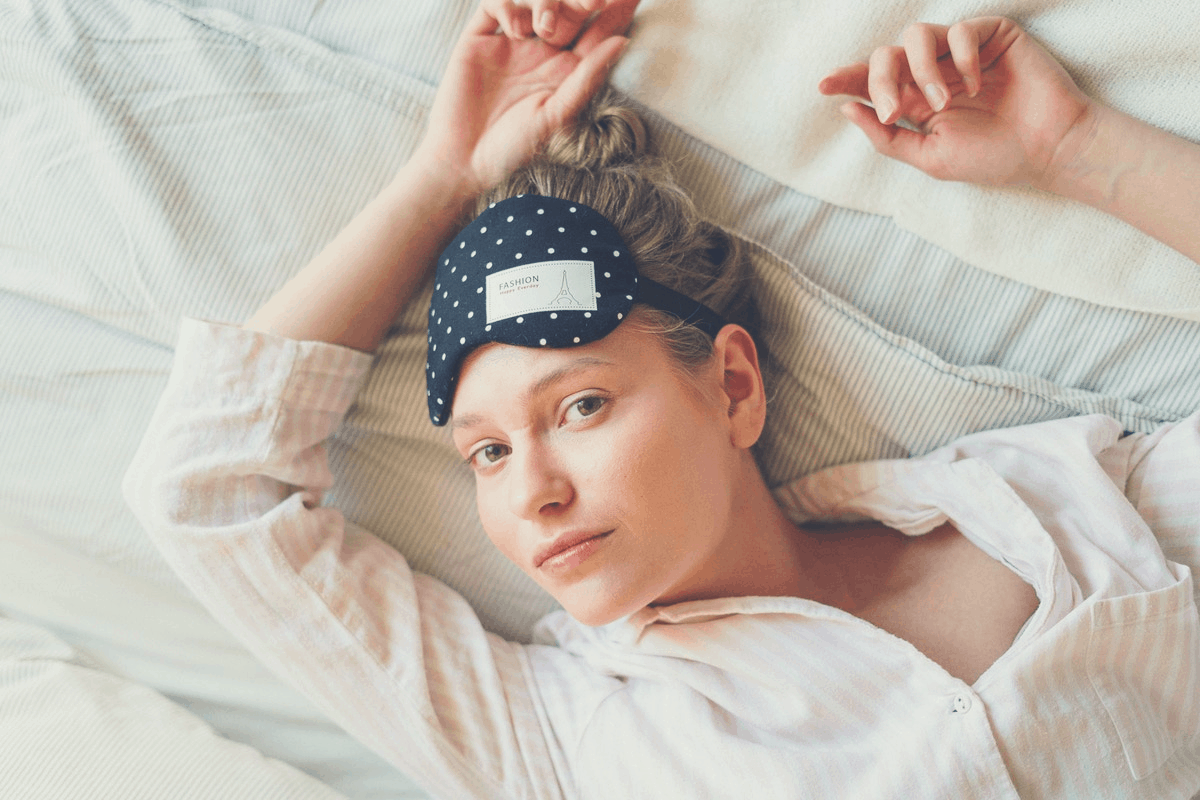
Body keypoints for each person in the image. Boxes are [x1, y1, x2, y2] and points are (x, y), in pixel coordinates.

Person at [124, 1, 1200, 798]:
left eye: (579, 407)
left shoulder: (1066, 504)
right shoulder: (557, 735)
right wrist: (441, 176)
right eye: (486, 453)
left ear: (732, 384)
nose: (533, 490)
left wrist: (1076, 149)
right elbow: (207, 491)